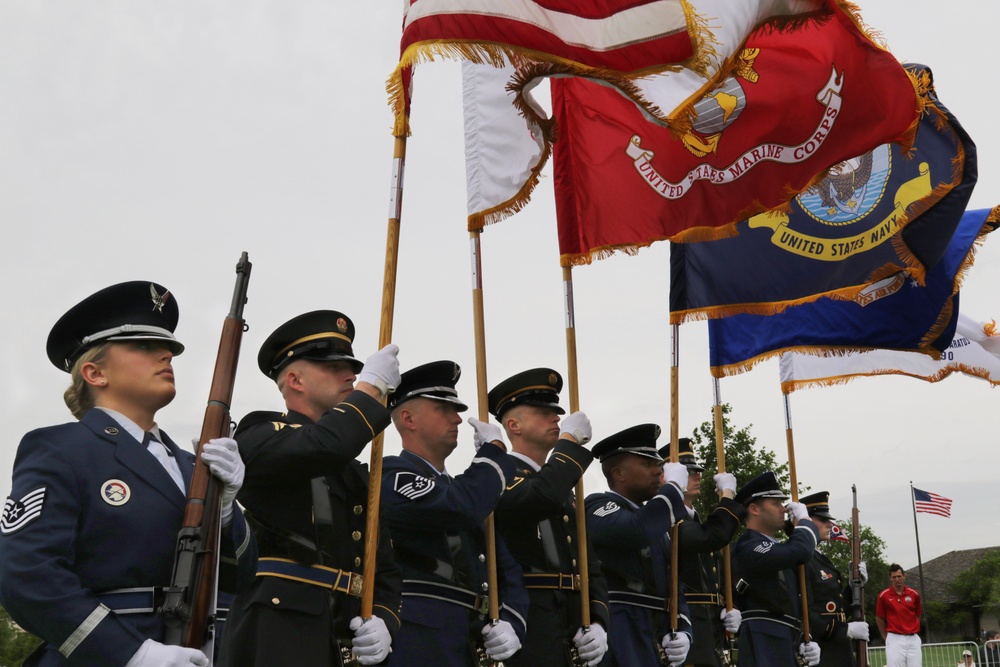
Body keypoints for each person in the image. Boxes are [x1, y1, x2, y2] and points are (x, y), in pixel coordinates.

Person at [0, 281, 255, 667]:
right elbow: (24, 572)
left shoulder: (194, 467)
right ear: (94, 373)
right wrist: (132, 654)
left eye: (166, 347)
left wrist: (226, 513)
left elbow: (246, 579)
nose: (167, 354)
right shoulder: (62, 449)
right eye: (143, 346)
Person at [219, 310, 402, 666]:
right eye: (333, 367)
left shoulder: (357, 471)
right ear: (295, 381)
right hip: (281, 629)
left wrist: (384, 619)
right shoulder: (260, 434)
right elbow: (324, 445)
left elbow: (383, 565)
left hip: (345, 634)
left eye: (353, 368)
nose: (350, 375)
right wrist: (371, 388)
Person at [381, 360, 529, 666]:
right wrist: (493, 456)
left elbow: (506, 568)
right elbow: (458, 508)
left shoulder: (461, 488)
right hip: (419, 639)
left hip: (466, 638)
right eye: (443, 409)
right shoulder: (392, 475)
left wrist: (513, 620)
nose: (458, 420)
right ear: (408, 418)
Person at [489, 368, 610, 667]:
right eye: (543, 411)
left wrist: (597, 618)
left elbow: (588, 563)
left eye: (556, 412)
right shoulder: (498, 474)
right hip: (529, 616)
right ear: (514, 425)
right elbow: (538, 498)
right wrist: (568, 441)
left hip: (571, 617)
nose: (556, 418)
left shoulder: (559, 485)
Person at [584, 423, 694, 667]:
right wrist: (673, 489)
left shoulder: (657, 521)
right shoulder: (597, 506)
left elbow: (673, 583)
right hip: (621, 634)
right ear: (618, 474)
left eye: (658, 464)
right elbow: (634, 530)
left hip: (654, 638)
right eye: (647, 464)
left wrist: (684, 627)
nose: (658, 471)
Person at [657, 438, 745, 667]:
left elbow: (715, 577)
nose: (697, 476)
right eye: (688, 471)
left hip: (711, 626)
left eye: (698, 471)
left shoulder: (694, 521)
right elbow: (713, 536)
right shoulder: (671, 520)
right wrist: (727, 495)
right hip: (686, 624)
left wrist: (731, 606)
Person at [730, 471, 822, 667]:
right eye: (776, 503)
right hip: (763, 638)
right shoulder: (748, 545)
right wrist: (805, 521)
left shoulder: (778, 548)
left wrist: (806, 636)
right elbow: (801, 551)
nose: (783, 509)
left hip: (786, 639)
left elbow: (791, 600)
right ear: (754, 509)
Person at [798, 490, 870, 666]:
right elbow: (805, 613)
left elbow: (836, 607)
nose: (830, 524)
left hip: (838, 650)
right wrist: (846, 630)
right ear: (805, 521)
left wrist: (853, 587)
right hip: (822, 651)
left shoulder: (819, 558)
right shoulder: (802, 559)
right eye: (822, 520)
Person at [876, 563, 923, 667]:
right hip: (895, 638)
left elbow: (918, 614)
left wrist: (912, 628)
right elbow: (879, 618)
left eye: (899, 576)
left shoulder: (914, 594)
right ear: (890, 578)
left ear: (904, 576)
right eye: (894, 577)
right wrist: (886, 637)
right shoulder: (883, 596)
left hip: (913, 638)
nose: (897, 579)